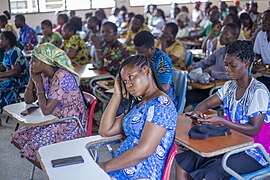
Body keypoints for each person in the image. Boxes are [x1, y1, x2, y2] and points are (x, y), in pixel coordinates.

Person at [175, 40, 270, 180]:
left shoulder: (257, 92)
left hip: (254, 151)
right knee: (183, 163)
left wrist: (222, 122)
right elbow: (205, 104)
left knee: (208, 174)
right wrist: (198, 114)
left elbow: (254, 129)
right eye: (226, 65)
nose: (228, 69)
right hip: (230, 144)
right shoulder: (229, 87)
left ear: (246, 63)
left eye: (233, 66)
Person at [98, 54, 177, 179]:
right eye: (125, 81)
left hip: (141, 174)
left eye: (131, 77)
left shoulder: (161, 105)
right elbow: (105, 131)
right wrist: (117, 95)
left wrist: (105, 166)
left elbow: (145, 150)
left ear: (146, 71)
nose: (128, 85)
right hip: (122, 168)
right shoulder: (140, 104)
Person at [11, 43, 88, 168]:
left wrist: (39, 86)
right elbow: (28, 100)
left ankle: (55, 174)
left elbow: (46, 110)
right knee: (18, 137)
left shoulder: (62, 76)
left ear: (45, 62)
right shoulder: (42, 74)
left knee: (32, 146)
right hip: (54, 118)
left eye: (34, 61)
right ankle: (52, 170)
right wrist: (32, 81)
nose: (31, 64)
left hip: (71, 123)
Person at [186, 23, 240, 106]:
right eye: (221, 33)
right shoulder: (220, 51)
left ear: (235, 36)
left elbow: (233, 75)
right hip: (213, 86)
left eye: (225, 34)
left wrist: (212, 73)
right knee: (187, 95)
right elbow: (205, 62)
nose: (221, 36)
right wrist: (194, 66)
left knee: (190, 97)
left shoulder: (238, 55)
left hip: (227, 89)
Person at [134, 31, 176, 106]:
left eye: (141, 52)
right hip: (144, 97)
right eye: (136, 51)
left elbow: (165, 88)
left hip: (162, 101)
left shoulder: (162, 61)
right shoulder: (143, 59)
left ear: (152, 49)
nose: (137, 55)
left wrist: (142, 90)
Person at [0, 31, 29, 109]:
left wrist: (1, 75)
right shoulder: (7, 52)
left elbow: (15, 72)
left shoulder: (15, 51)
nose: (0, 41)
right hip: (11, 80)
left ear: (8, 40)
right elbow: (3, 67)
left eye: (1, 39)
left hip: (19, 82)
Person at [253, 10, 270, 91]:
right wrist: (257, 62)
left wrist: (266, 66)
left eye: (267, 19)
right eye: (262, 18)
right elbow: (257, 53)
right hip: (266, 76)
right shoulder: (261, 35)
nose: (263, 21)